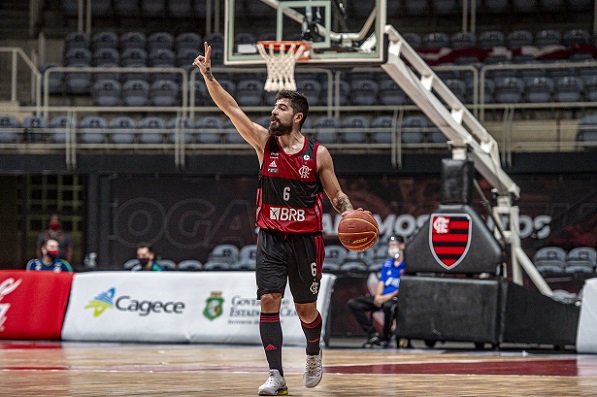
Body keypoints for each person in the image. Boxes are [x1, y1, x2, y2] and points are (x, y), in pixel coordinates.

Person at [194, 41, 364, 396]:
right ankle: (276, 375)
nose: (274, 112)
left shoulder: (318, 154)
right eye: (274, 107)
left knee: (305, 309)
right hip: (270, 237)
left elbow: (336, 195)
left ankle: (314, 352)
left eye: (281, 108)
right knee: (270, 300)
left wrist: (348, 211)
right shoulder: (263, 143)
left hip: (306, 240)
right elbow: (231, 108)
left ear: (297, 117)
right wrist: (209, 75)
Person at [347, 235, 406, 348]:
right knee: (354, 303)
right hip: (382, 296)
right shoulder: (387, 264)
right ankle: (372, 334)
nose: (392, 248)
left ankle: (386, 337)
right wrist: (378, 296)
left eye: (394, 245)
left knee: (389, 306)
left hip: (396, 298)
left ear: (402, 246)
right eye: (390, 246)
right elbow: (381, 283)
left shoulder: (408, 265)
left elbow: (405, 287)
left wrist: (386, 297)